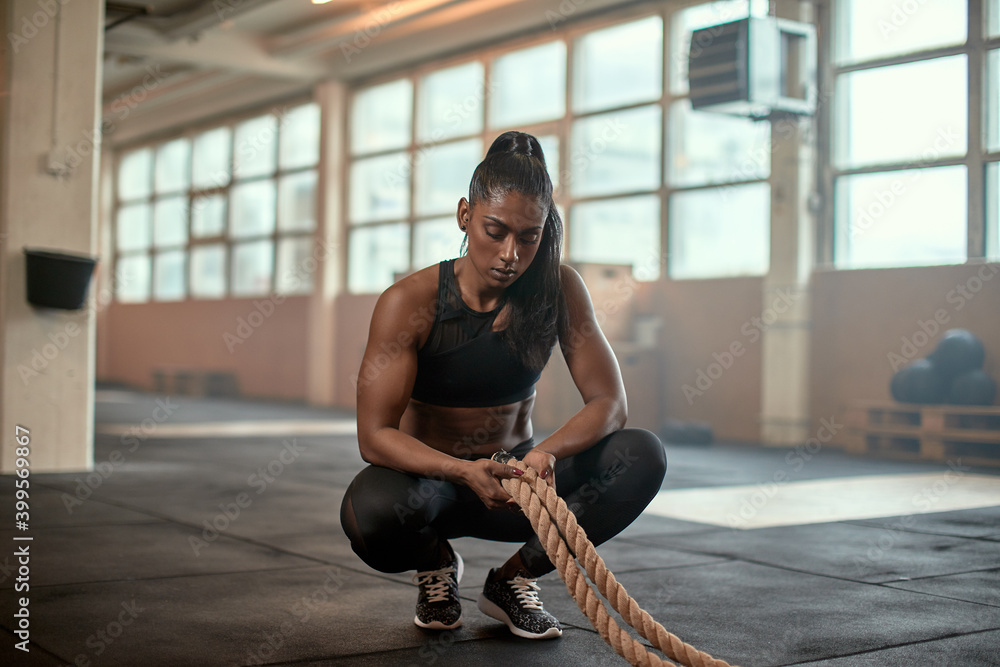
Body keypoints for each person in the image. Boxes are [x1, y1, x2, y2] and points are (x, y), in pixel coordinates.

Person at [341, 130, 667, 640]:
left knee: (641, 454)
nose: (511, 253)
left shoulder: (559, 288)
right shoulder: (409, 301)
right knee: (369, 514)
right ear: (465, 215)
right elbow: (374, 436)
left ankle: (511, 582)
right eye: (495, 230)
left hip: (520, 486)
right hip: (434, 488)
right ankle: (436, 563)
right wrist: (460, 470)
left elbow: (609, 402)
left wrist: (546, 456)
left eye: (529, 237)